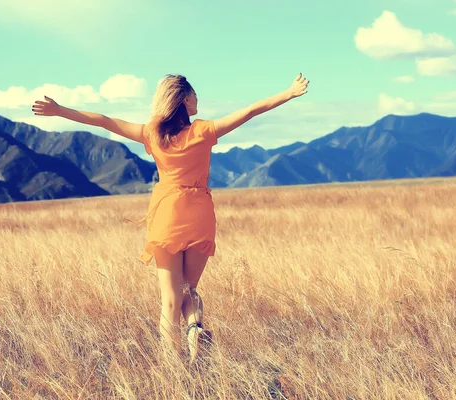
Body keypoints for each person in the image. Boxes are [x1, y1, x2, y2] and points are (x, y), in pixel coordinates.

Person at [31, 73, 310, 365]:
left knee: (169, 299)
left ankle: (174, 367)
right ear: (186, 100)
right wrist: (288, 93)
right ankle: (194, 329)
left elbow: (104, 120)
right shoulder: (203, 131)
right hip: (199, 213)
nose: (198, 99)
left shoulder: (152, 133)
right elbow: (251, 111)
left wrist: (59, 111)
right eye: (195, 94)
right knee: (189, 288)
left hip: (167, 214)